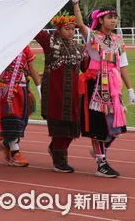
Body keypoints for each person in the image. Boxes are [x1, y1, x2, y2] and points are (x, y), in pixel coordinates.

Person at [73, 0, 135, 177]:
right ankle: (101, 162)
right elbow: (80, 24)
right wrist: (76, 4)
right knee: (98, 125)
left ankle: (100, 152)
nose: (114, 21)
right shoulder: (92, 36)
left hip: (114, 87)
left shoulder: (118, 40)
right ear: (101, 20)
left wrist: (130, 88)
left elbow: (122, 65)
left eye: (115, 18)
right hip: (96, 85)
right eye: (110, 17)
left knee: (115, 127)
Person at [35, 11, 88, 173]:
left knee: (73, 127)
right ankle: (60, 160)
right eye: (67, 28)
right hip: (55, 93)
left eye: (73, 29)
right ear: (58, 29)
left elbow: (86, 67)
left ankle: (55, 149)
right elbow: (36, 30)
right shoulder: (50, 42)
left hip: (73, 94)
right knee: (59, 125)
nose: (71, 32)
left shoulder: (79, 47)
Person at [0, 46, 41, 167]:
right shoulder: (3, 44)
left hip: (22, 88)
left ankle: (7, 143)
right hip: (6, 90)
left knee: (22, 120)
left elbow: (32, 70)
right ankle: (15, 152)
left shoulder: (25, 48)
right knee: (11, 119)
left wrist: (39, 89)